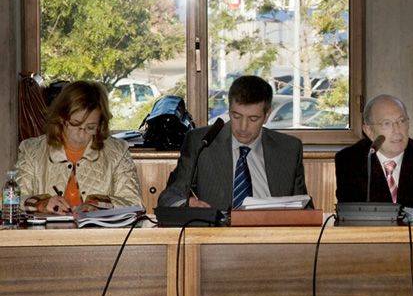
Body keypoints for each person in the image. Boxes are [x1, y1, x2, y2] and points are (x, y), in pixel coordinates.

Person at [158, 75, 308, 210]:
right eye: (236, 116)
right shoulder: (202, 142)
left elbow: (304, 207)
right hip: (218, 231)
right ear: (229, 110)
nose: (243, 127)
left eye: (253, 119)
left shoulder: (289, 149)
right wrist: (186, 203)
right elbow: (168, 197)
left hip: (273, 229)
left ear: (267, 115)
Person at [16, 80, 142, 214]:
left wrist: (99, 205)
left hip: (97, 228)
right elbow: (12, 199)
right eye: (75, 124)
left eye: (90, 127)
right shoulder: (32, 150)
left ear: (100, 125)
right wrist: (41, 204)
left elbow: (134, 202)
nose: (81, 134)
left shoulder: (118, 152)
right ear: (60, 118)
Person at [335, 94, 413, 209]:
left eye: (402, 121)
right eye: (387, 123)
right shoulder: (349, 161)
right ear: (369, 131)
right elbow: (348, 213)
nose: (397, 130)